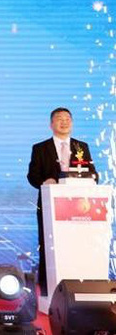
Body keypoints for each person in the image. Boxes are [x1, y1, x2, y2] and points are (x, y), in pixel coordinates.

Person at [27, 107, 98, 296]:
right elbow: (32, 176)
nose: (64, 122)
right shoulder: (40, 148)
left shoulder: (81, 147)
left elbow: (93, 174)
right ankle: (47, 290)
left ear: (72, 123)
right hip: (50, 206)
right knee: (47, 246)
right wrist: (45, 181)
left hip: (80, 208)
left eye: (68, 119)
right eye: (59, 119)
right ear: (51, 124)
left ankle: (81, 286)